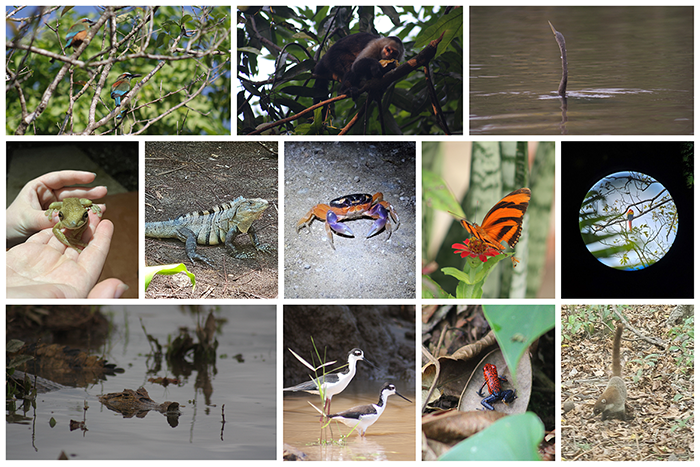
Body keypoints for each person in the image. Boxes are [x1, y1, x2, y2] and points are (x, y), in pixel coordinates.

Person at [6, 170, 127, 298]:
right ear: (60, 216)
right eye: (62, 216)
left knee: (87, 203)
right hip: (65, 205)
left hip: (77, 204)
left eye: (84, 216)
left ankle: (91, 207)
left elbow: (78, 223)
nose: (74, 223)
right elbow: (55, 229)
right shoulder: (62, 219)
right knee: (53, 205)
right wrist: (68, 241)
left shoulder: (81, 216)